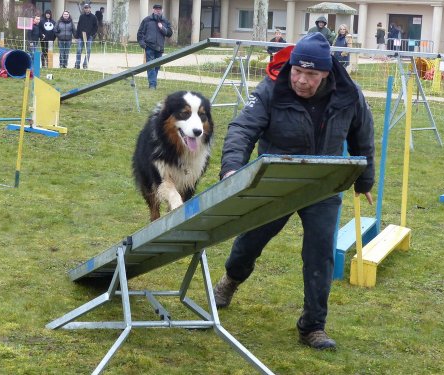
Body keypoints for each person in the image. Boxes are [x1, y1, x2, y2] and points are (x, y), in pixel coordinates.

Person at [213, 32, 375, 351]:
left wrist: (364, 179)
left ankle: (313, 325)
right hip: (277, 176)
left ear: (326, 73)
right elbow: (242, 129)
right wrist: (232, 169)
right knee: (251, 241)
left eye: (311, 74)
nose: (301, 80)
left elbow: (363, 134)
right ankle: (229, 281)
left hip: (323, 180)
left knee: (320, 252)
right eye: (297, 71)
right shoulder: (272, 88)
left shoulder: (348, 94)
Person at [137, 4, 173, 89]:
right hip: (149, 46)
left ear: (162, 10)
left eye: (159, 9)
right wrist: (142, 43)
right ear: (153, 10)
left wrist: (162, 28)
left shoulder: (165, 21)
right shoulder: (147, 20)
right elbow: (140, 33)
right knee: (151, 66)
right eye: (156, 9)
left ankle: (153, 82)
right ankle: (152, 85)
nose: (158, 10)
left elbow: (169, 34)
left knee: (157, 66)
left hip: (160, 47)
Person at [75, 3, 98, 69]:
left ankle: (85, 64)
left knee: (88, 51)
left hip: (89, 37)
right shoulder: (81, 16)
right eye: (85, 8)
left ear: (90, 8)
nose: (86, 9)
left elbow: (96, 27)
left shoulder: (94, 17)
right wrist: (77, 36)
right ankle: (77, 64)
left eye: (87, 8)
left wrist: (92, 34)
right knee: (79, 50)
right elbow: (78, 26)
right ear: (84, 9)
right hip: (81, 37)